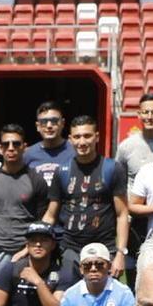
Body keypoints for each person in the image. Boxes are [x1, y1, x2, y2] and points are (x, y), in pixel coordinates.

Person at [0, 124, 59, 286]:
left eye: (16, 144)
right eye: (6, 144)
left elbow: (42, 224)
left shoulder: (36, 180)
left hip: (25, 252)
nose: (11, 148)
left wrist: (26, 250)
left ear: (24, 147)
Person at [54, 116, 131, 280]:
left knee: (103, 300)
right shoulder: (62, 170)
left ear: (97, 136)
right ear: (70, 139)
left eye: (87, 136)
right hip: (70, 249)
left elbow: (122, 214)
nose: (82, 142)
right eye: (77, 137)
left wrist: (120, 254)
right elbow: (50, 213)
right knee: (68, 297)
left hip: (104, 248)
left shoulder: (112, 168)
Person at [115, 91, 153, 181]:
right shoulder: (126, 147)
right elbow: (118, 183)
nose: (149, 117)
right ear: (139, 115)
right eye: (145, 112)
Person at [26, 101, 75, 183]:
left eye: (54, 121)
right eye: (44, 122)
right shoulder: (27, 154)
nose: (49, 126)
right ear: (37, 126)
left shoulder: (75, 151)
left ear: (63, 123)